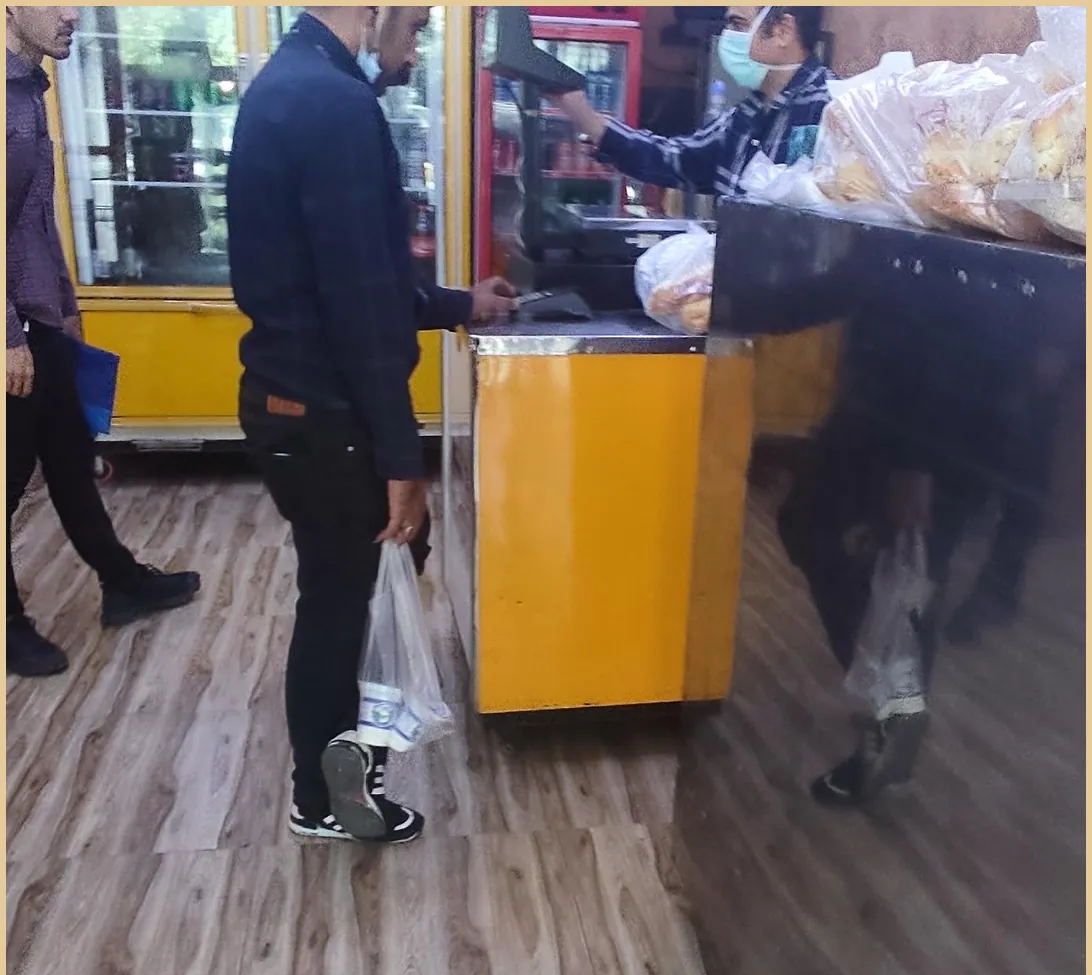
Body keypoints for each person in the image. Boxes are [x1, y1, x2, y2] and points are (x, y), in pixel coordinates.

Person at [226, 6, 515, 846]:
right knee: (341, 601)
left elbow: (353, 278)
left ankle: (347, 767)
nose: (413, 47)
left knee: (346, 589)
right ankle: (323, 798)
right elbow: (358, 306)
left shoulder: (291, 84)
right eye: (415, 25)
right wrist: (400, 454)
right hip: (328, 414)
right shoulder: (336, 105)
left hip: (293, 401)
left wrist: (459, 304)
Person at [6, 6, 201, 679]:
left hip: (40, 323)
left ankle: (123, 583)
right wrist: (8, 336)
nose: (73, 13)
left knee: (71, 462)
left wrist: (65, 308)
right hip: (12, 334)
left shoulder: (29, 91)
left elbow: (33, 223)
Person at [554, 6, 829, 197]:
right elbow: (676, 159)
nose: (727, 36)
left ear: (782, 31)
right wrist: (587, 118)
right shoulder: (746, 117)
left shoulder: (832, 110)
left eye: (738, 24)